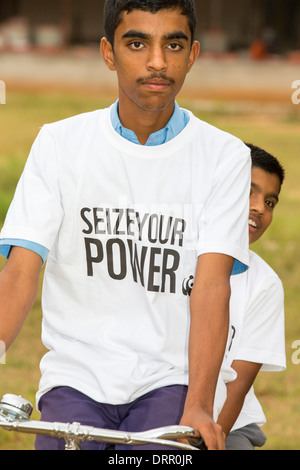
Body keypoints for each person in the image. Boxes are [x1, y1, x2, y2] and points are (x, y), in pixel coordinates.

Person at [0, 0, 251, 450]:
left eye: (173, 44)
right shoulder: (59, 143)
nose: (157, 61)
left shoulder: (224, 156)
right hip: (75, 379)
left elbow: (213, 287)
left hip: (170, 381)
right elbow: (20, 270)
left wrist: (199, 402)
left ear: (192, 55)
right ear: (108, 53)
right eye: (137, 43)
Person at [217, 144, 286, 450]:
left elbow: (239, 384)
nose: (260, 207)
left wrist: (204, 441)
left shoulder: (264, 284)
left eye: (270, 202)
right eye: (249, 192)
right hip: (152, 413)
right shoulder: (174, 257)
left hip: (227, 424)